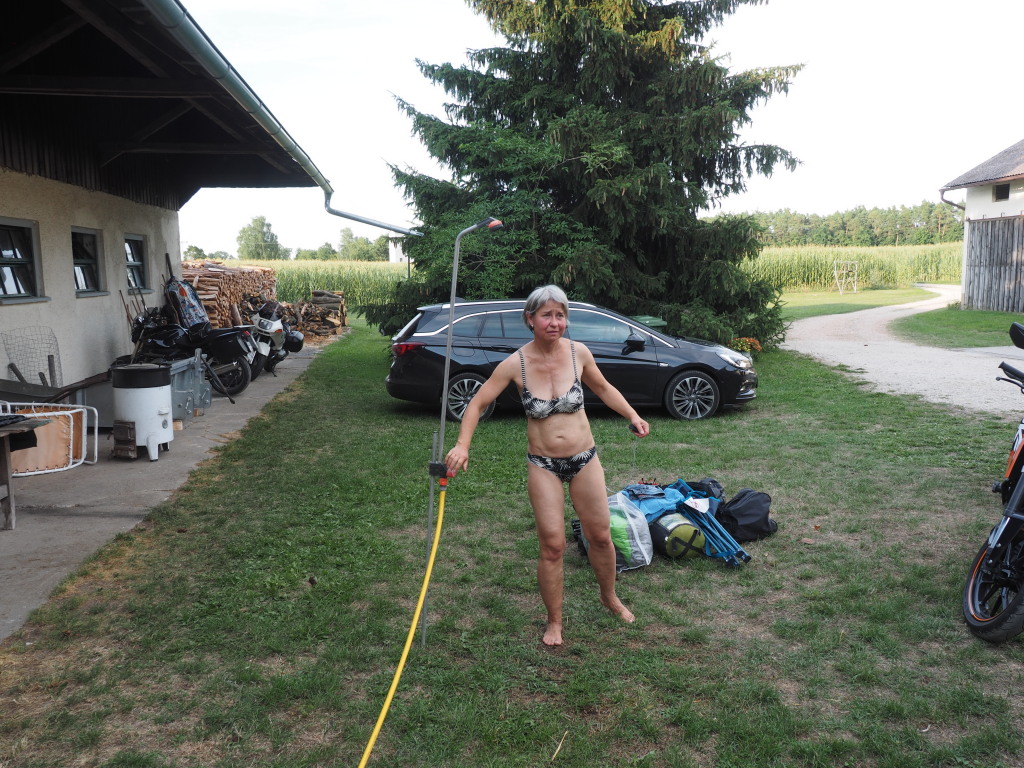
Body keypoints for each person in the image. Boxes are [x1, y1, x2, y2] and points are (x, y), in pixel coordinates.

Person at [445, 285, 650, 646]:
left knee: (601, 536)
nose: (555, 322)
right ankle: (554, 621)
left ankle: (609, 597)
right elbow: (477, 403)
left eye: (560, 315)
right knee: (552, 546)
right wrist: (463, 444)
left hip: (585, 459)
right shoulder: (516, 364)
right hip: (544, 465)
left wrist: (632, 415)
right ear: (530, 319)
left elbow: (603, 388)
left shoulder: (578, 353)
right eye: (547, 315)